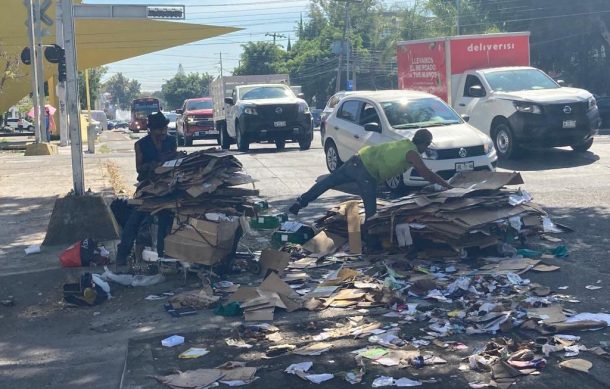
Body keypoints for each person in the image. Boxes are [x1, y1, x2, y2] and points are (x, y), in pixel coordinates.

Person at [289, 129, 452, 221]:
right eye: (427, 145)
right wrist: (447, 186)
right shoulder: (413, 153)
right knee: (371, 212)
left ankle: (300, 202)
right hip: (368, 173)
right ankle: (369, 242)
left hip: (357, 159)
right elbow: (427, 174)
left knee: (327, 182)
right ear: (424, 143)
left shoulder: (405, 143)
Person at [115, 112, 179, 266]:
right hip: (147, 188)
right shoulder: (141, 144)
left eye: (164, 129)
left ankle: (166, 257)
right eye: (159, 130)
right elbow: (139, 168)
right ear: (151, 130)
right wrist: (155, 165)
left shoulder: (171, 141)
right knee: (135, 220)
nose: (163, 133)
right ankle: (122, 255)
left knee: (166, 219)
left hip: (168, 187)